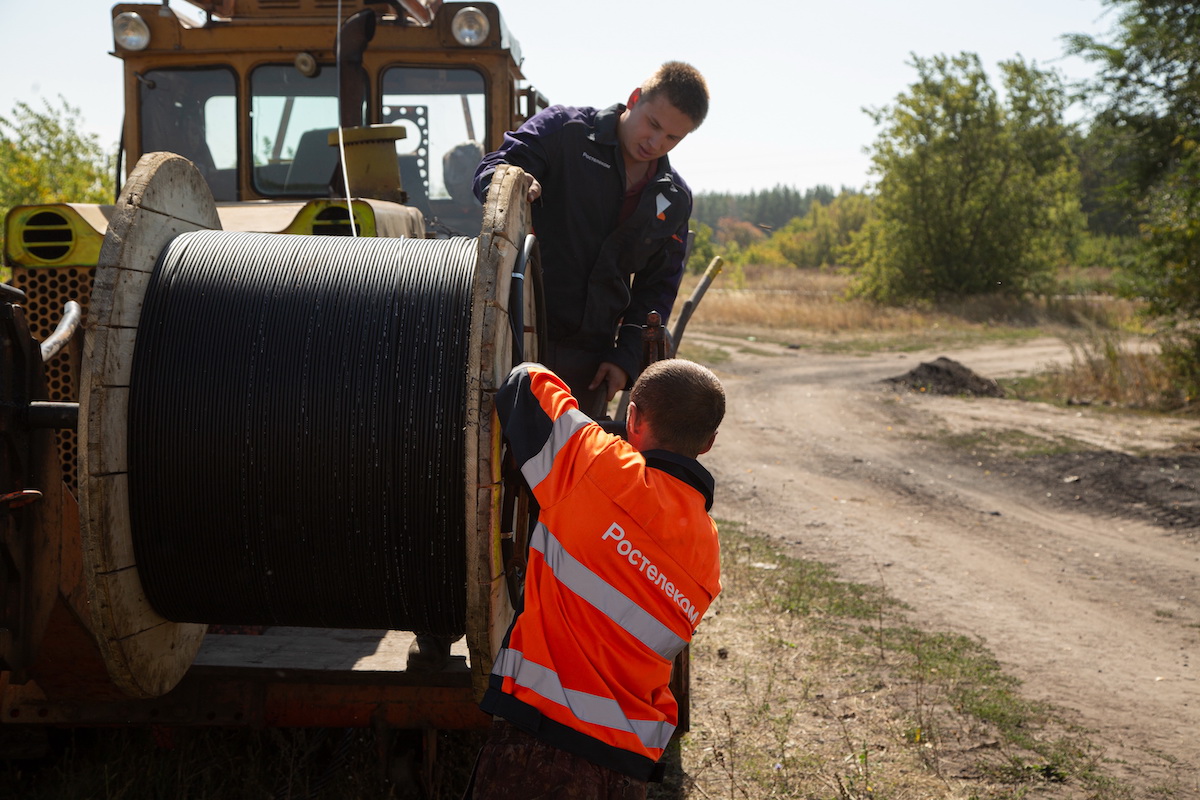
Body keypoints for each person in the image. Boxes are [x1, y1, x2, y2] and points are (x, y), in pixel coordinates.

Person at [465, 358, 725, 799]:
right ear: (709, 442)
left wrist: (602, 431)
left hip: (539, 743)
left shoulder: (596, 463)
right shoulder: (709, 550)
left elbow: (525, 381)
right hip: (626, 770)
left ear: (635, 418)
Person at [472, 61, 710, 419]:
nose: (655, 143)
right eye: (654, 124)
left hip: (591, 364)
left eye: (672, 138)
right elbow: (497, 167)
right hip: (516, 337)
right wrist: (512, 184)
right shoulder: (564, 131)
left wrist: (625, 357)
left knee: (573, 468)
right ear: (635, 98)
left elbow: (657, 288)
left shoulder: (673, 197)